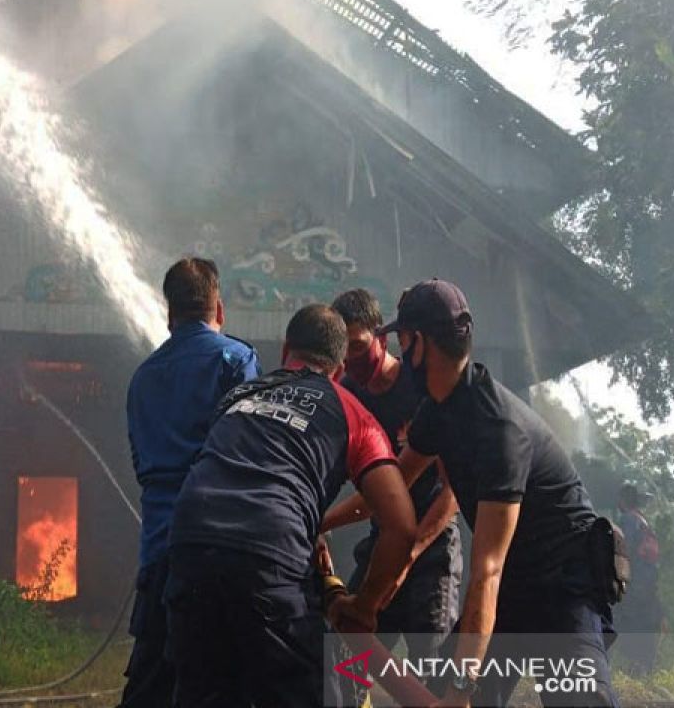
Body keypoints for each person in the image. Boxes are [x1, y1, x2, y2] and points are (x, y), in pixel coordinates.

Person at [323, 280, 620, 707]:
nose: (400, 354)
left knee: (577, 701)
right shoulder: (439, 413)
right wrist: (322, 524)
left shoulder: (499, 429)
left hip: (562, 584)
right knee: (449, 686)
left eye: (402, 340)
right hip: (515, 582)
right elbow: (385, 495)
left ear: (418, 343)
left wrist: (461, 692)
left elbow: (486, 571)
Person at [164, 304, 416, 708]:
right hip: (269, 555)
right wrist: (364, 606)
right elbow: (401, 525)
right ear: (339, 369)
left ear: (286, 350)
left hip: (189, 547)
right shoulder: (351, 412)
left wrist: (309, 527)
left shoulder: (238, 397)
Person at [121, 257, 261, 708]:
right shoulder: (236, 360)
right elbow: (250, 454)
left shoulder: (143, 378)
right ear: (218, 309)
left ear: (169, 314)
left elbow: (141, 462)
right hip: (219, 551)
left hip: (159, 552)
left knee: (150, 684)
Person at [326, 288, 462, 669]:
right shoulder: (345, 398)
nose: (350, 359)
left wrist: (412, 553)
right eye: (343, 349)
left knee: (431, 664)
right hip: (382, 539)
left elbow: (453, 493)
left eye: (357, 345)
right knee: (343, 654)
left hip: (432, 544)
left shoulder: (421, 387)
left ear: (381, 337)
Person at [614, 483, 662, 674]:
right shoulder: (642, 519)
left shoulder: (626, 520)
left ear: (622, 501)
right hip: (648, 580)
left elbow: (625, 552)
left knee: (629, 621)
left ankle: (635, 667)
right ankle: (643, 665)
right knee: (642, 622)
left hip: (636, 581)